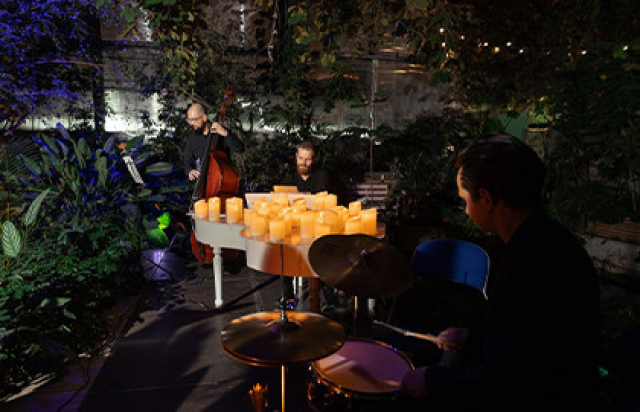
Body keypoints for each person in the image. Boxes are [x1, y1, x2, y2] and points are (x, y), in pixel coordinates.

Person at [399, 134, 602, 411]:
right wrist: (473, 336)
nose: (466, 211)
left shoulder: (529, 264)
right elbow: (520, 336)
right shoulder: (551, 240)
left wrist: (433, 381)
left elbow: (506, 379)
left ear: (486, 198)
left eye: (465, 200)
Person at [279, 141, 331, 304]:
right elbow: (283, 200)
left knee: (323, 250)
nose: (303, 163)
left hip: (316, 225)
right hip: (295, 224)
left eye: (308, 159)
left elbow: (320, 202)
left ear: (314, 159)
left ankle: (328, 296)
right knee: (284, 247)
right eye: (301, 158)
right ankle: (288, 295)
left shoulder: (321, 175)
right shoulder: (290, 177)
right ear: (296, 157)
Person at [183, 102, 245, 180]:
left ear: (204, 118)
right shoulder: (192, 138)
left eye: (193, 120)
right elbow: (187, 161)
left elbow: (240, 148)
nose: (191, 123)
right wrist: (189, 171)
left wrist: (226, 134)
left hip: (222, 179)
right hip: (204, 181)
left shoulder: (220, 131)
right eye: (189, 120)